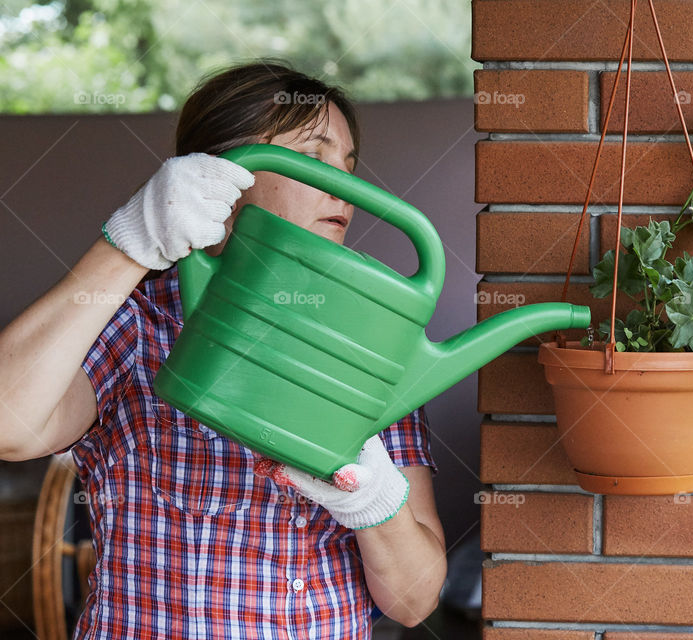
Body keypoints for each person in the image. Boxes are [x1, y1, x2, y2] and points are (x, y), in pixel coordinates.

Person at [0, 60, 446, 639]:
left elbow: (414, 603)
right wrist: (130, 244)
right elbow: (10, 426)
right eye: (313, 157)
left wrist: (374, 502)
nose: (348, 188)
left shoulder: (376, 349)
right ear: (221, 173)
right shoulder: (141, 322)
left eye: (349, 167)